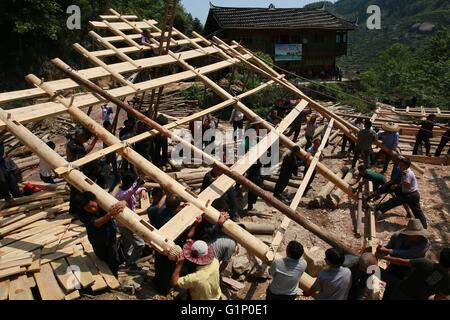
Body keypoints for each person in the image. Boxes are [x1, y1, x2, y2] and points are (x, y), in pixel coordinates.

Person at [376, 219, 430, 299]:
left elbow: (408, 254)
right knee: (389, 289)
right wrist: (381, 250)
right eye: (416, 235)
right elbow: (388, 248)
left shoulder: (424, 243)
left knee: (400, 293)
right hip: (395, 269)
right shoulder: (397, 237)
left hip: (410, 273)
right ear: (409, 234)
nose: (419, 237)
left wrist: (387, 252)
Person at [77, 191, 124, 276]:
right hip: (97, 239)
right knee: (101, 257)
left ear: (95, 200)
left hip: (110, 235)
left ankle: (114, 273)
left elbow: (123, 201)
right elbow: (96, 223)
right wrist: (109, 214)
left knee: (113, 257)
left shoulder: (104, 204)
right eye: (88, 208)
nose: (92, 209)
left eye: (92, 206)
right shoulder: (81, 213)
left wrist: (123, 203)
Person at [375, 158, 427, 228]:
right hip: (414, 195)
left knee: (393, 201)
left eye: (401, 165)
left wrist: (398, 184)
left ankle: (379, 209)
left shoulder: (407, 174)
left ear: (406, 166)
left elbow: (407, 185)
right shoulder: (406, 171)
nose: (400, 166)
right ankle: (424, 226)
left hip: (410, 195)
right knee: (417, 212)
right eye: (400, 164)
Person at [147, 194, 182, 294]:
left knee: (159, 265)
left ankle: (157, 282)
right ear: (175, 207)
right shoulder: (170, 221)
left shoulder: (159, 209)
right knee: (166, 268)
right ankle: (163, 289)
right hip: (167, 248)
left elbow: (165, 208)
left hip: (158, 245)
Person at [384, 247, 450, 300]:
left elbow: (401, 261)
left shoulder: (425, 262)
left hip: (400, 292)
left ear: (440, 257)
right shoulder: (447, 281)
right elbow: (438, 298)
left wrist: (383, 257)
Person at [115, 171, 146, 270]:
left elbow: (135, 189)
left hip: (129, 221)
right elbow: (133, 189)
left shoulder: (127, 189)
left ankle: (127, 259)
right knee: (140, 244)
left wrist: (142, 190)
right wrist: (140, 180)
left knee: (128, 243)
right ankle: (131, 263)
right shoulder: (121, 195)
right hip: (125, 224)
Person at [66, 128, 98, 215]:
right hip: (75, 172)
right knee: (76, 192)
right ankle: (74, 211)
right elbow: (87, 150)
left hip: (78, 170)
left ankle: (75, 210)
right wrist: (95, 140)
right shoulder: (74, 146)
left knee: (77, 191)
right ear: (79, 136)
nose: (85, 139)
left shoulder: (74, 142)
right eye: (84, 137)